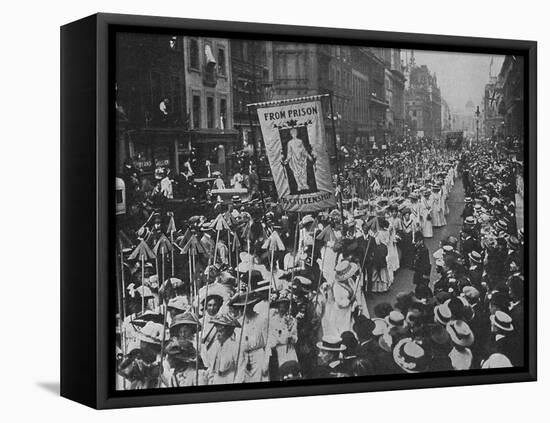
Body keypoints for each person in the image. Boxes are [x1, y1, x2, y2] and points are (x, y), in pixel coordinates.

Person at [208, 314, 241, 385]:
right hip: (216, 379)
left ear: (229, 332)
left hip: (230, 379)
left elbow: (241, 369)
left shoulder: (235, 347)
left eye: (221, 331)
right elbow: (212, 366)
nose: (218, 334)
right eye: (217, 331)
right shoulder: (215, 345)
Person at [284, 127, 315, 192]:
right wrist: (287, 160)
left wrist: (309, 156)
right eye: (292, 133)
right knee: (296, 173)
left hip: (301, 159)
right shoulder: (290, 143)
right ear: (291, 134)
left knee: (303, 172)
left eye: (295, 133)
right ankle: (299, 185)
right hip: (294, 160)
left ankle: (304, 184)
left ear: (297, 133)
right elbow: (289, 152)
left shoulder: (300, 141)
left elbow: (304, 150)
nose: (294, 134)